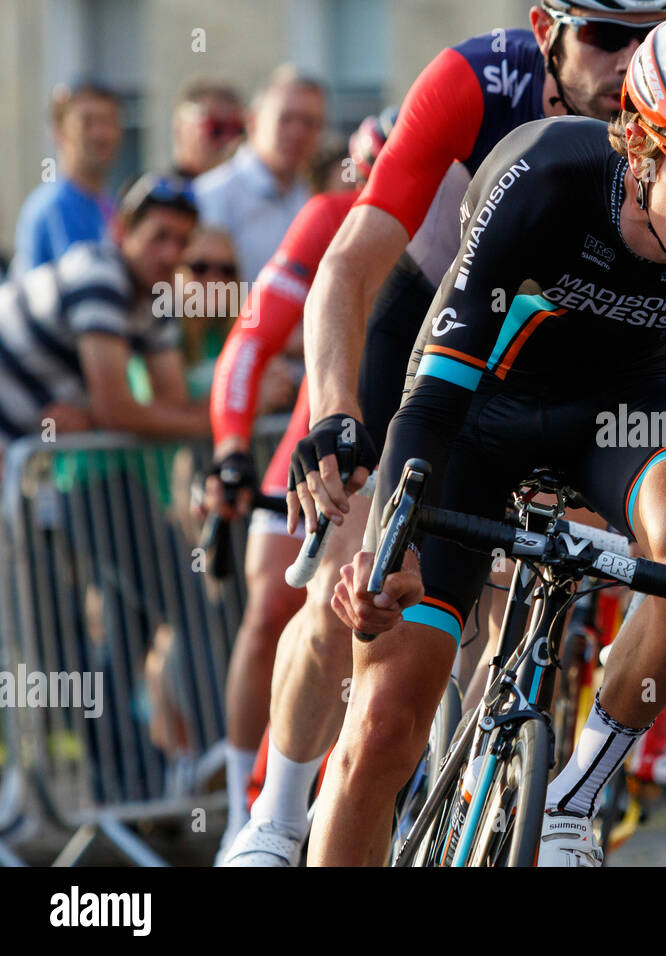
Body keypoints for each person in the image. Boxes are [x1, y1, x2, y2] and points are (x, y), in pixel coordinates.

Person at [319, 1, 666, 867]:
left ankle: (572, 801)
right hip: (483, 398)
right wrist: (390, 545)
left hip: (623, 402)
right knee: (380, 733)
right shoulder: (543, 177)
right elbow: (431, 401)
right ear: (640, 142)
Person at [217, 0, 666, 868]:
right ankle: (277, 814)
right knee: (350, 578)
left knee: (515, 593)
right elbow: (350, 263)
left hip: (566, 369)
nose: (630, 61)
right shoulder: (477, 80)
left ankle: (491, 795)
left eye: (651, 37)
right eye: (606, 35)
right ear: (547, 26)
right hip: (427, 328)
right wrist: (334, 414)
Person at [204, 110, 394, 860]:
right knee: (273, 608)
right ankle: (245, 817)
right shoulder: (331, 217)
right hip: (331, 433)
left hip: (413, 439)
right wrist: (229, 449)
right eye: (370, 179)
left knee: (381, 629)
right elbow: (251, 338)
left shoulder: (471, 221)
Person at [0, 174, 210, 466]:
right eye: (159, 236)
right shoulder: (99, 274)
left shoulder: (157, 293)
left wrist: (94, 418)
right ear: (122, 230)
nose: (170, 254)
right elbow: (115, 410)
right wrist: (207, 421)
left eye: (182, 241)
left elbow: (172, 401)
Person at [194, 65, 327, 279]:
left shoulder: (313, 197)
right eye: (286, 119)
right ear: (253, 121)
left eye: (310, 122)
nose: (298, 132)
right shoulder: (211, 195)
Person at [11, 78, 123, 277]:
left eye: (108, 121)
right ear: (59, 133)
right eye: (87, 122)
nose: (100, 134)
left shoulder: (115, 207)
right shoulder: (48, 209)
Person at [171, 79, 245, 181]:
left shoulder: (260, 192)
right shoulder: (158, 194)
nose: (229, 139)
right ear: (181, 131)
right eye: (216, 129)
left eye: (237, 129)